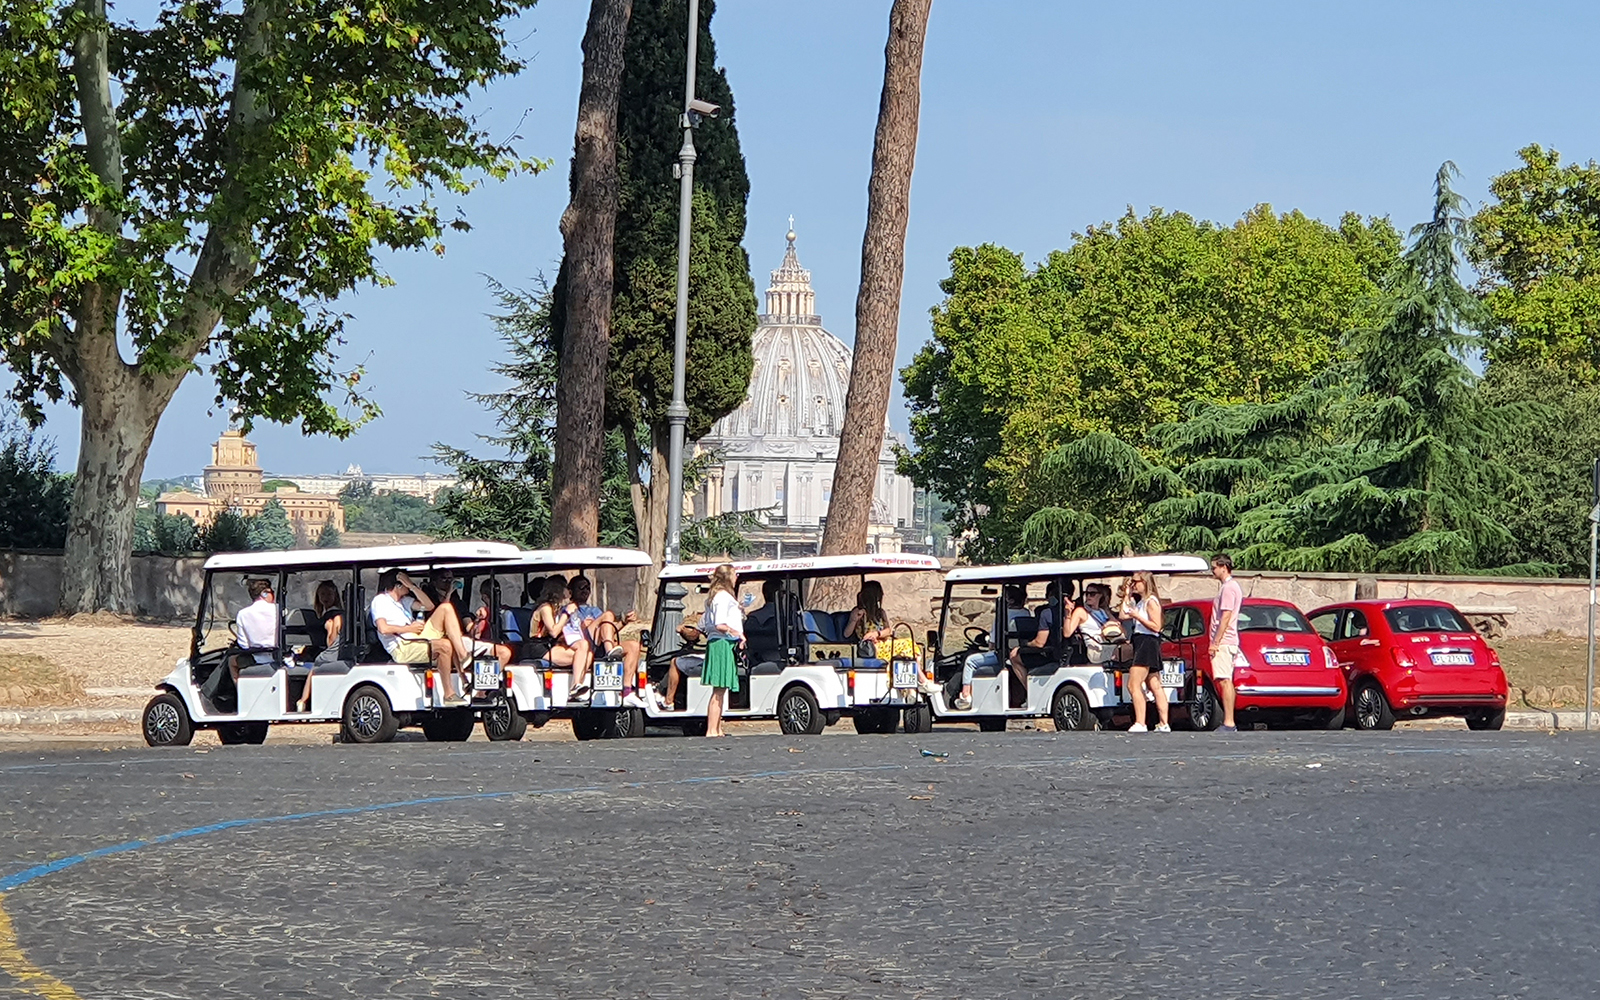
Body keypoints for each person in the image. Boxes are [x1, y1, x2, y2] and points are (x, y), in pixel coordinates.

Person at [370, 569, 467, 706]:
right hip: (402, 646)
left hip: (417, 638)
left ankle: (463, 656)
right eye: (406, 584)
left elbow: (429, 606)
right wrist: (409, 628)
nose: (409, 587)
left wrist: (412, 587)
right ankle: (449, 694)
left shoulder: (405, 601)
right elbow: (383, 628)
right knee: (445, 645)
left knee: (446, 608)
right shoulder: (380, 600)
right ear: (398, 585)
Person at [954, 584, 1028, 710]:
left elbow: (993, 643)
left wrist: (989, 646)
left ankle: (965, 695)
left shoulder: (1003, 616)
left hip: (1003, 655)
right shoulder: (1026, 613)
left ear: (1009, 600)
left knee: (970, 661)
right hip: (1022, 653)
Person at [1119, 571, 1170, 732]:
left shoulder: (1151, 601)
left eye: (1136, 582)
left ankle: (1141, 722)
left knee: (1133, 684)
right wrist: (1127, 595)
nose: (1134, 585)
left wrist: (1138, 617)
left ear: (1145, 582)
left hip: (1147, 642)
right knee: (1154, 684)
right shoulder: (1140, 602)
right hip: (1141, 641)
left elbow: (1157, 626)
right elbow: (1122, 614)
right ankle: (1163, 723)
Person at [699, 564, 744, 738]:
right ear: (727, 577)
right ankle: (712, 730)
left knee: (721, 689)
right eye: (734, 574)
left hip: (721, 642)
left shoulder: (717, 597)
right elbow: (720, 624)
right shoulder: (723, 597)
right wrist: (738, 633)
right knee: (718, 690)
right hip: (721, 643)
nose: (736, 577)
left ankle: (717, 728)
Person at [533, 576, 595, 701]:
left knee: (587, 652)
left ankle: (577, 686)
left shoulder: (556, 609)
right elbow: (554, 631)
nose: (568, 592)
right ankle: (575, 686)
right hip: (539, 646)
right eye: (565, 588)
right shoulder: (545, 608)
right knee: (582, 652)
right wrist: (567, 614)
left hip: (552, 644)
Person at [1008, 581, 1067, 691]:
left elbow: (1039, 643)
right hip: (1068, 653)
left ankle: (1030, 693)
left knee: (1014, 656)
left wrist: (1025, 644)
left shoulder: (1046, 613)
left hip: (1051, 654)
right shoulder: (1076, 611)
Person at [296, 580, 343, 712]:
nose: (325, 598)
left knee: (315, 667)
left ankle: (303, 700)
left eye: (328, 594)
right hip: (331, 651)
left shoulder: (333, 615)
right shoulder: (329, 614)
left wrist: (330, 629)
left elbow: (331, 642)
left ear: (335, 595)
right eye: (322, 594)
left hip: (333, 652)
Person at [1208, 553, 1242, 732]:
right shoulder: (1230, 587)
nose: (1212, 571)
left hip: (1225, 640)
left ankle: (1229, 721)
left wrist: (1216, 641)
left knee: (1224, 680)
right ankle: (1229, 721)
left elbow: (1225, 616)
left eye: (1214, 567)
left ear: (1223, 567)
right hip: (1227, 639)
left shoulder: (1229, 588)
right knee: (1225, 679)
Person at [232, 578, 279, 682]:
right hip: (279, 657)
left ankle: (239, 693)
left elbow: (244, 645)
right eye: (272, 592)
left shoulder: (242, 614)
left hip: (256, 658)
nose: (274, 595)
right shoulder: (278, 610)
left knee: (232, 661)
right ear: (264, 593)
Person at [1063, 583, 1118, 666]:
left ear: (1100, 596)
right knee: (1129, 651)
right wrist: (1068, 614)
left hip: (1108, 644)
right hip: (1095, 649)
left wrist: (1107, 611)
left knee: (1132, 648)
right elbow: (1067, 633)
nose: (1088, 596)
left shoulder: (1102, 611)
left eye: (1092, 594)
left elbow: (1119, 627)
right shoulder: (1081, 611)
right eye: (1086, 593)